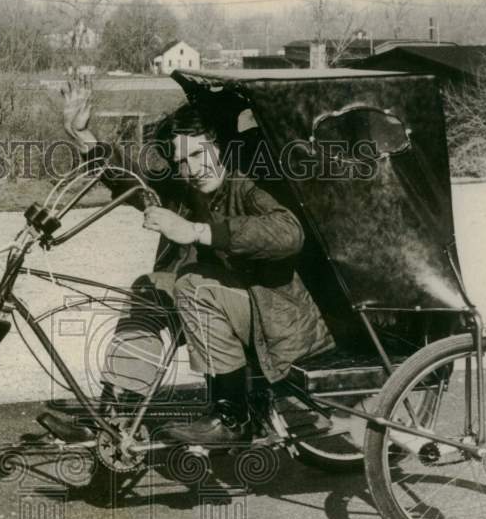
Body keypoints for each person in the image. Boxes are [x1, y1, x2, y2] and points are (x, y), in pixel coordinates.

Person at [55, 80, 334, 446]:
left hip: (274, 311)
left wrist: (197, 231)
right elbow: (132, 182)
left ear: (219, 146)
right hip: (219, 306)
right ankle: (115, 413)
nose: (193, 168)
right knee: (150, 286)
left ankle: (233, 416)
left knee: (192, 284)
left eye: (200, 154)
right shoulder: (185, 190)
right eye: (182, 161)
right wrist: (83, 134)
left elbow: (288, 233)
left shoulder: (249, 183)